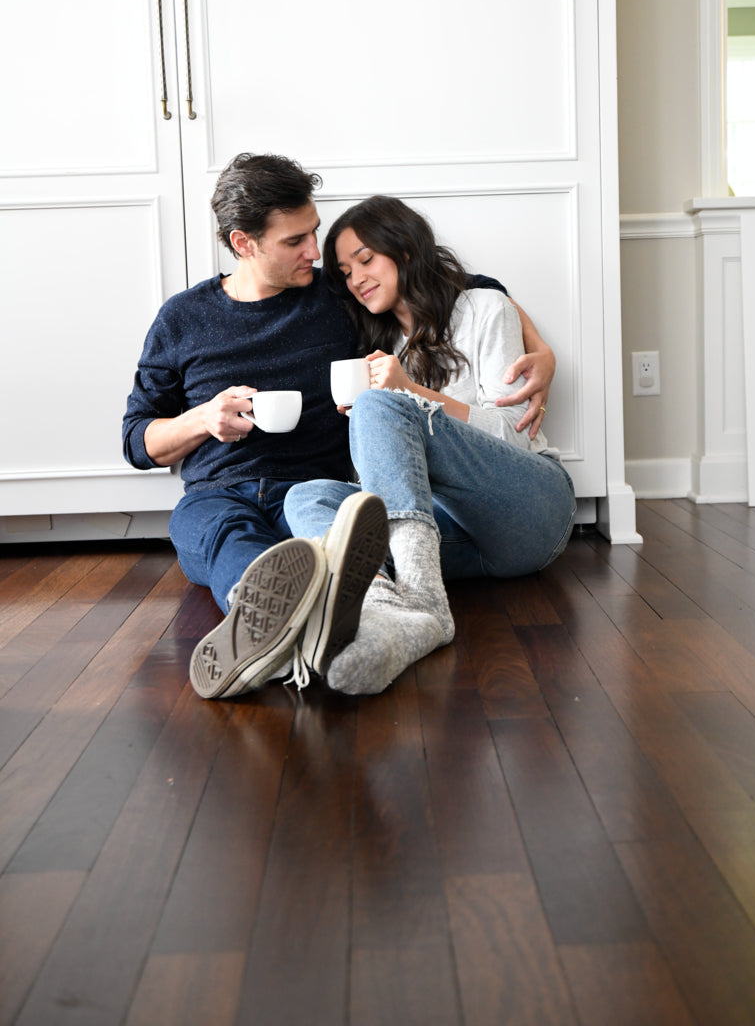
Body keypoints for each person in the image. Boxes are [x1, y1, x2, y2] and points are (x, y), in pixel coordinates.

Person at [123, 153, 554, 698]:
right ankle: (265, 623)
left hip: (315, 490)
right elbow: (138, 441)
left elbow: (451, 285)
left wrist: (541, 349)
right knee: (216, 531)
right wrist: (201, 419)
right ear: (242, 243)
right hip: (218, 491)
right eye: (294, 241)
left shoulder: (336, 295)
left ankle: (304, 624)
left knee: (309, 526)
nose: (313, 252)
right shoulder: (181, 318)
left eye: (314, 233)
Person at [283, 195, 576, 695]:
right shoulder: (381, 348)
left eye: (366, 259)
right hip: (450, 538)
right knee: (305, 496)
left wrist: (405, 396)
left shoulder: (485, 309)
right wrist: (374, 426)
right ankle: (385, 611)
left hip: (531, 511)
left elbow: (515, 435)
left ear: (408, 252)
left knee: (380, 406)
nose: (355, 278)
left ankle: (423, 600)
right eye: (345, 270)